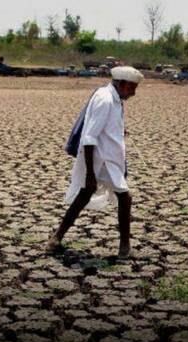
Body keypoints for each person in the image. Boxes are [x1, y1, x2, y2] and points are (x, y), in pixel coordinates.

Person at [47, 66, 144, 258]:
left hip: (106, 158)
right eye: (132, 88)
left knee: (84, 195)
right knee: (125, 198)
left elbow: (102, 125)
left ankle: (56, 239)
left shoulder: (109, 94)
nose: (134, 93)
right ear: (122, 84)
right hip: (103, 160)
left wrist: (117, 130)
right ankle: (125, 248)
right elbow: (90, 137)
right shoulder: (106, 100)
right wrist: (90, 173)